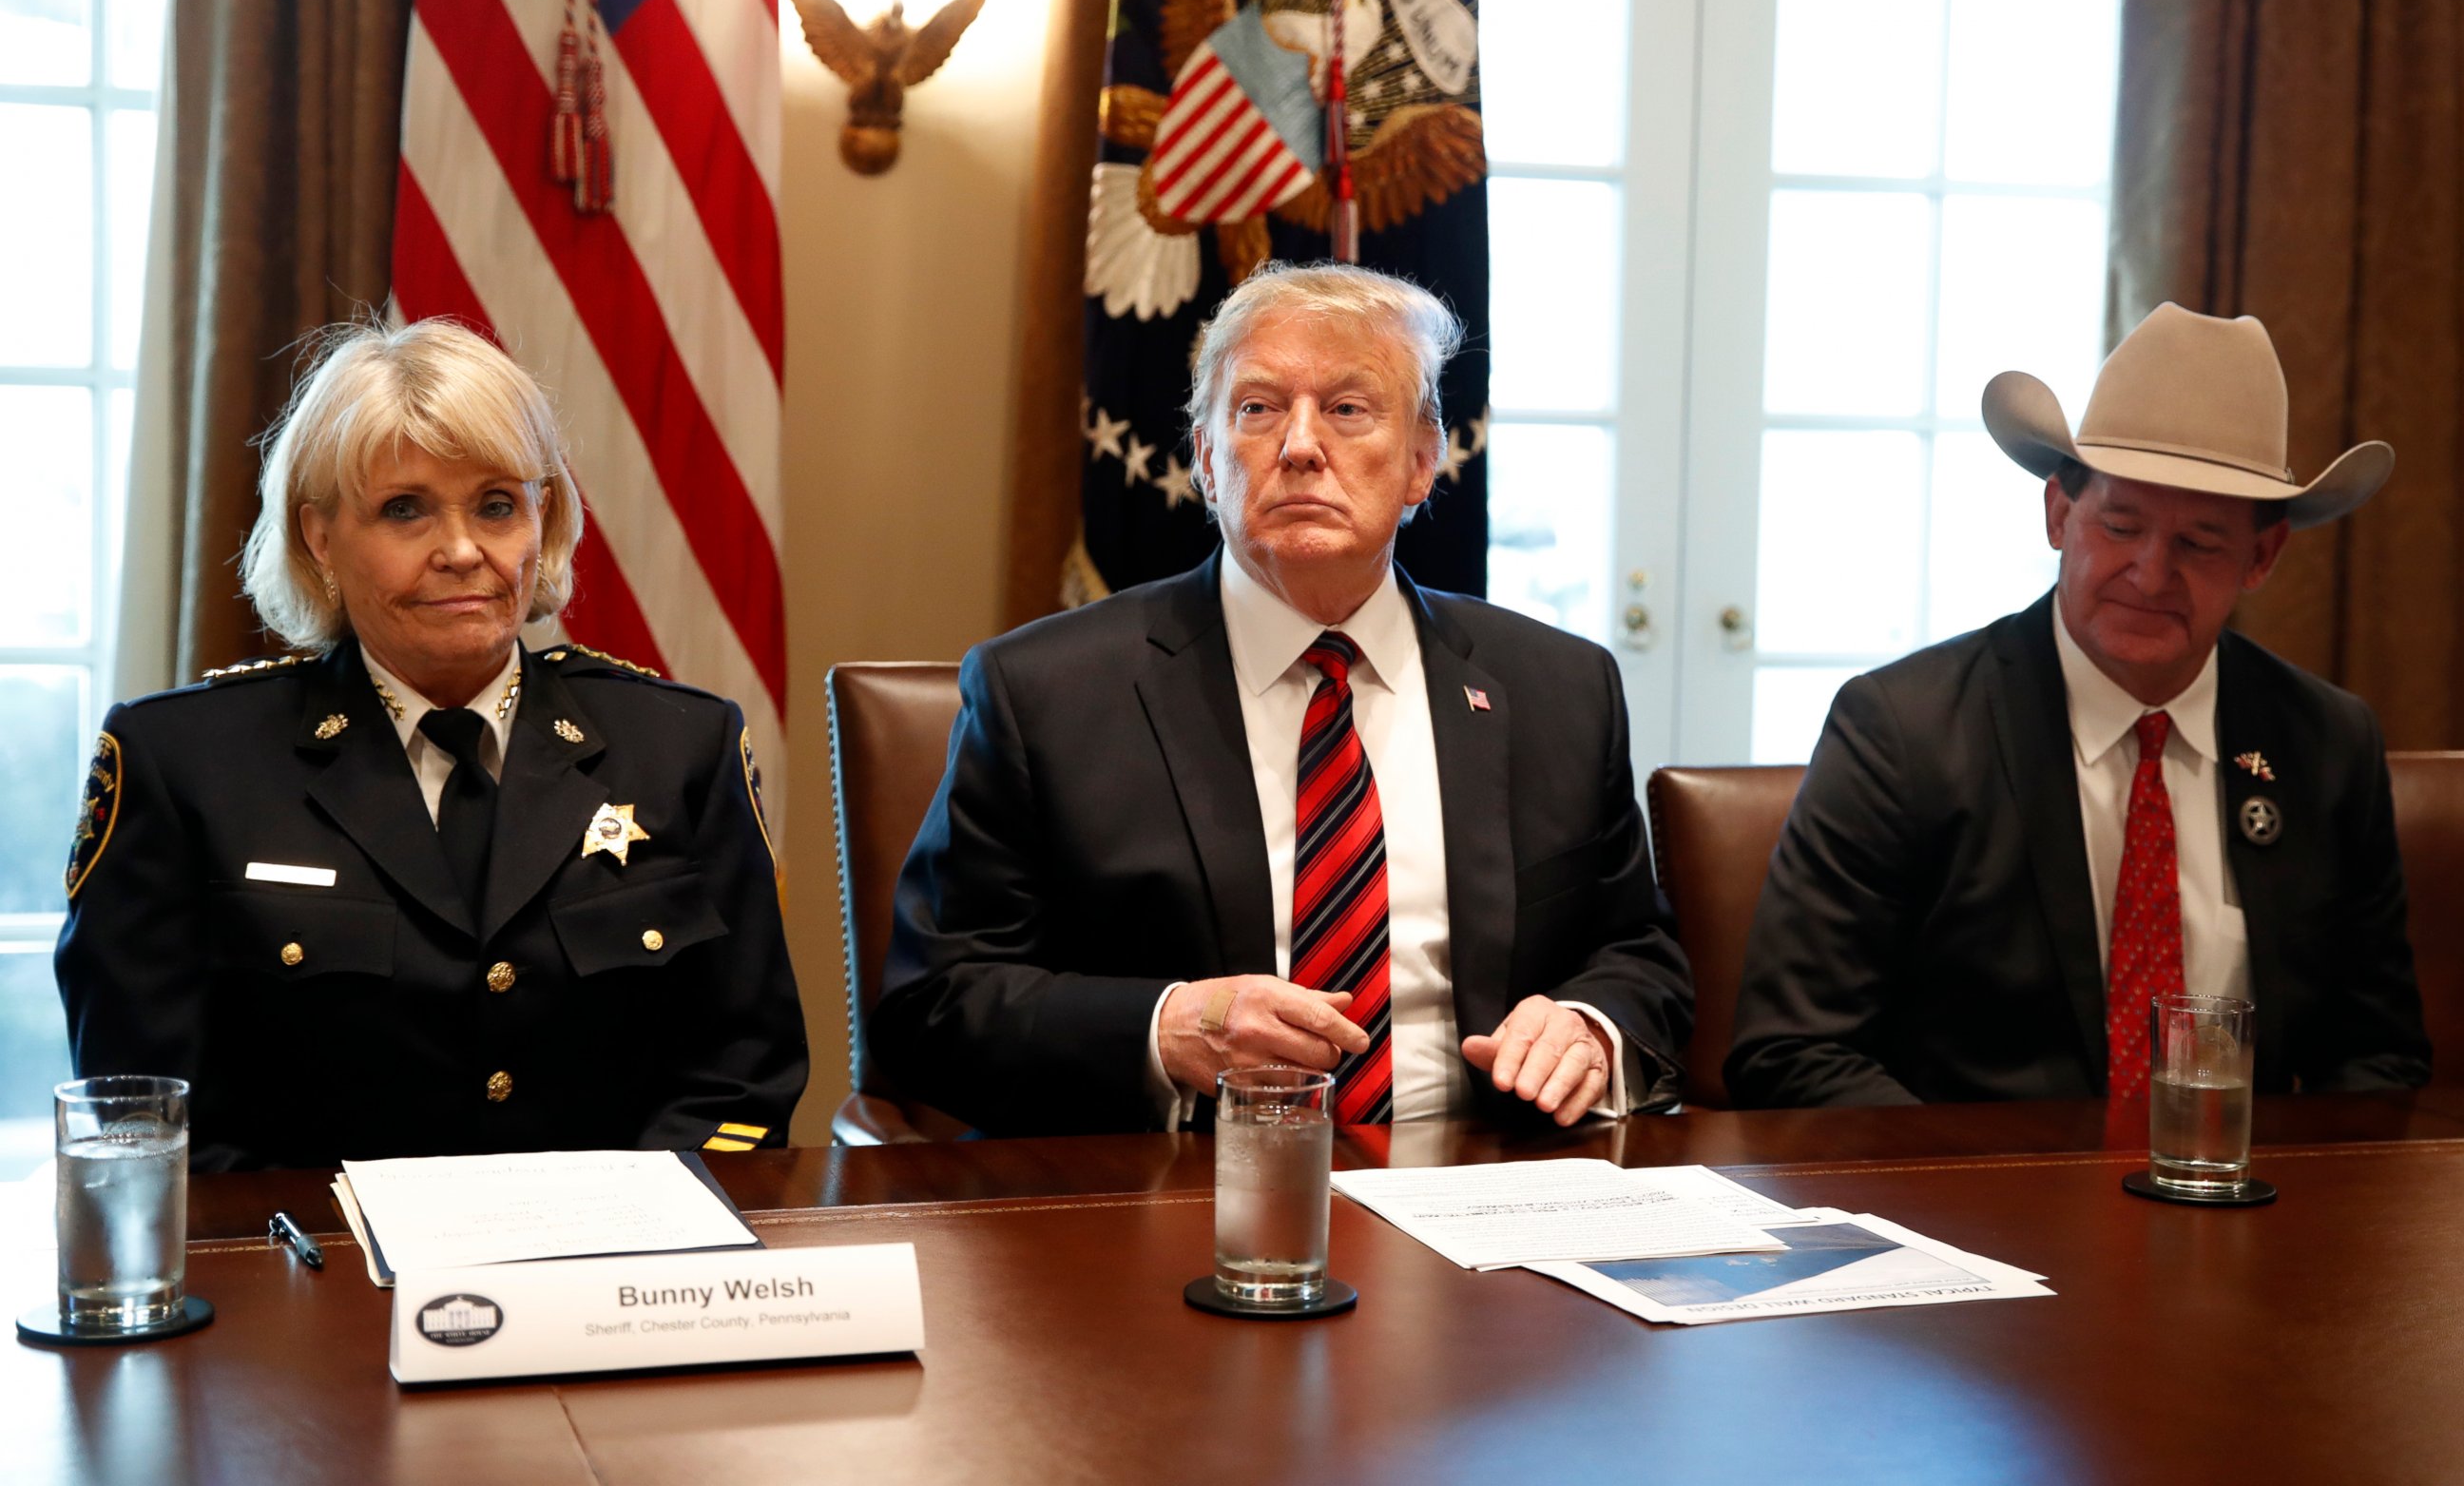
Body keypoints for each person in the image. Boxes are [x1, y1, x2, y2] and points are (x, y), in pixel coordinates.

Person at [871, 263, 1693, 1135]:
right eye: (1258, 410)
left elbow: (1638, 957)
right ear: (1206, 461)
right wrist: (1163, 1031)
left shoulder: (1559, 689)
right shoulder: (1043, 692)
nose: (1300, 446)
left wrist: (1591, 1031)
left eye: (1348, 409)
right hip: (1169, 1197)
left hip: (1480, 1189)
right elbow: (934, 1005)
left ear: (1422, 461)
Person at [55, 318, 806, 1169]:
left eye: (496, 505)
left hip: (610, 1270)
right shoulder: (181, 762)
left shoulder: (682, 747)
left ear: (542, 519)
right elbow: (145, 1111)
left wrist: (621, 1242)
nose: (461, 552)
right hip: (310, 1272)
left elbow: (744, 1072)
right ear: (320, 537)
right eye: (403, 510)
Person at [1725, 302, 2432, 1107]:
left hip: (2243, 1209)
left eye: (2199, 544)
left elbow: (2378, 1058)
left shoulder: (2326, 745)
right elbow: (1792, 1052)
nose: (2150, 573)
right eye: (2120, 526)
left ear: (2261, 557)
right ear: (2061, 514)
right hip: (1970, 1211)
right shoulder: (1904, 731)